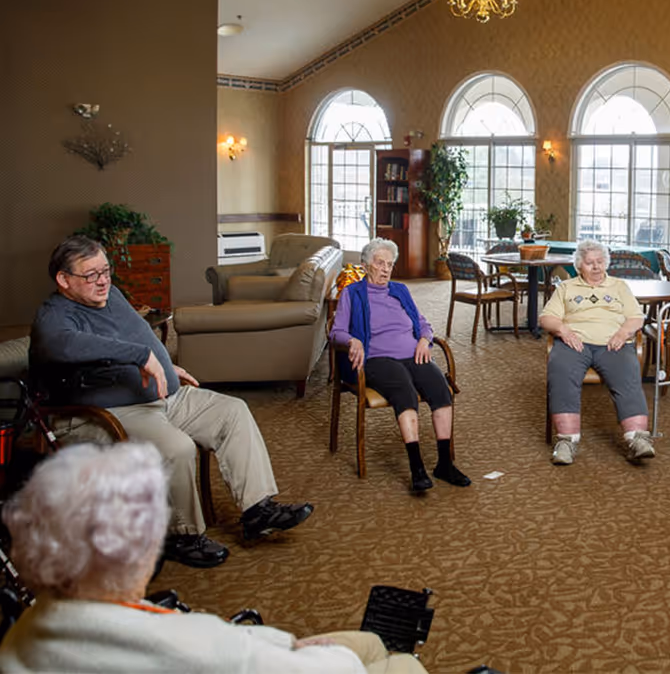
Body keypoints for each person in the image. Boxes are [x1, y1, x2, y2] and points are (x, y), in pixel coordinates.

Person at [0, 442, 426, 673]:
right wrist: (300, 650)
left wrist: (281, 643)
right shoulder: (194, 644)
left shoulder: (21, 636)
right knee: (396, 660)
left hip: (262, 651)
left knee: (371, 641)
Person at [28, 236, 312, 570]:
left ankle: (257, 510)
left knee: (232, 412)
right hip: (108, 413)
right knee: (176, 447)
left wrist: (164, 364)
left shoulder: (111, 296)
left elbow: (136, 336)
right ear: (64, 280)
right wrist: (140, 358)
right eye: (91, 275)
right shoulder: (54, 318)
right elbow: (65, 346)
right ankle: (183, 536)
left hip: (161, 395)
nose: (103, 280)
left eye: (106, 270)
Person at [330, 237, 469, 493]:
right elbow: (336, 332)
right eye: (379, 263)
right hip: (377, 358)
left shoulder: (400, 290)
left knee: (440, 389)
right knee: (404, 392)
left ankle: (444, 464)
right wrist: (353, 340)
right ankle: (417, 469)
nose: (385, 269)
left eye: (389, 264)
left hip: (412, 353)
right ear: (365, 265)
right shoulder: (353, 293)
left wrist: (425, 341)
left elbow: (422, 323)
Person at [539, 239, 654, 465]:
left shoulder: (619, 286)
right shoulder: (566, 288)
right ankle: (566, 442)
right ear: (579, 266)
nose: (596, 267)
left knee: (628, 372)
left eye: (600, 261)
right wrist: (563, 330)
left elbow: (636, 317)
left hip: (613, 342)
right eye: (590, 263)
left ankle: (638, 439)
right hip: (575, 343)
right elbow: (546, 318)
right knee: (560, 369)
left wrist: (622, 333)